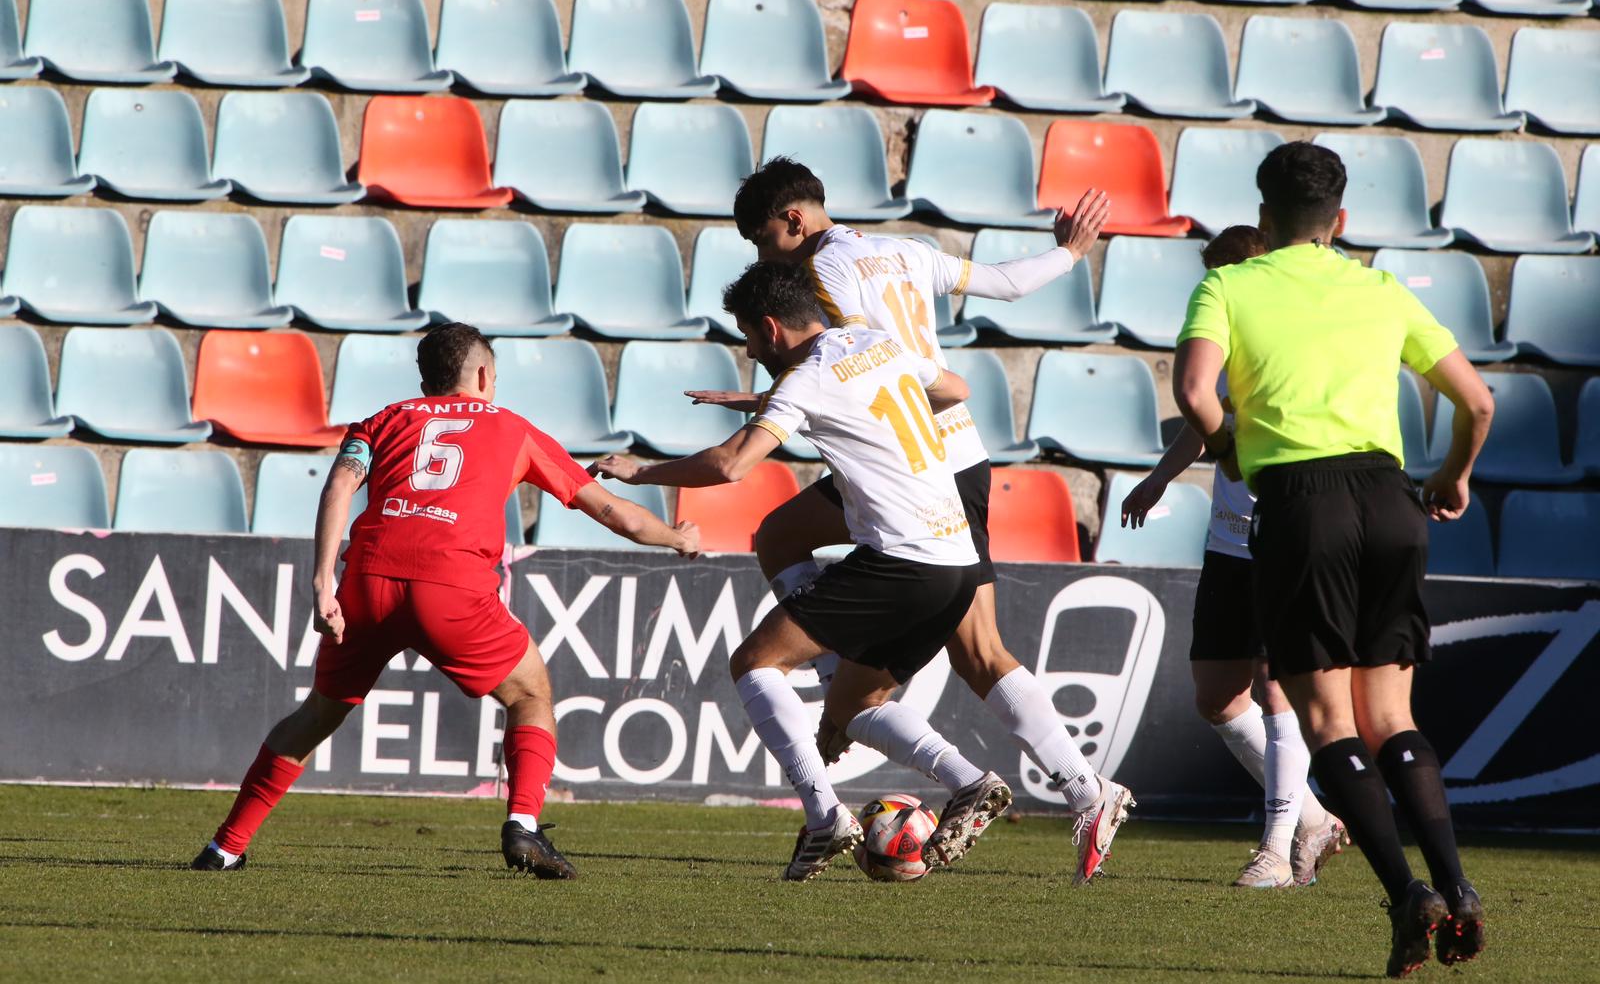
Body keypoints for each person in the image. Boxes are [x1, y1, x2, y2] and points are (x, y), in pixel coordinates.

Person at [688, 157, 1133, 885]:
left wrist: (775, 409)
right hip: (959, 448)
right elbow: (1005, 283)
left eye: (765, 241)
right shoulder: (901, 249)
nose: (767, 257)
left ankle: (1079, 787)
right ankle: (1085, 791)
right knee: (976, 647)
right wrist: (1071, 253)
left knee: (789, 546)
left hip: (911, 455)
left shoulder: (822, 279)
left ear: (794, 222)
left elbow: (852, 371)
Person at [191, 324, 701, 878]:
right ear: (484, 375)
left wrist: (321, 583)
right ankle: (523, 827)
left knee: (315, 716)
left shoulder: (381, 420)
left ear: (426, 378)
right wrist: (678, 537)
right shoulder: (514, 429)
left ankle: (225, 847)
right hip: (451, 586)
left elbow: (339, 486)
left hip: (368, 581)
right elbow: (612, 512)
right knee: (531, 695)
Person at [1173, 142, 1494, 978]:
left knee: (1327, 721)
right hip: (1392, 501)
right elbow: (1478, 399)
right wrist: (1452, 474)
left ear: (1264, 217)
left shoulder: (1229, 285)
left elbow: (1194, 393)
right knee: (1394, 717)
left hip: (1301, 506)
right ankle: (1459, 888)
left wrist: (1230, 449)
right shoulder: (1380, 287)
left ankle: (1406, 897)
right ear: (1339, 221)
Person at [595, 260, 1007, 881]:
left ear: (769, 328)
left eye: (748, 338)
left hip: (901, 560)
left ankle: (824, 816)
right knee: (853, 705)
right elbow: (953, 389)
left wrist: (642, 473)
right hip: (957, 560)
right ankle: (971, 782)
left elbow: (734, 464)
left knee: (754, 662)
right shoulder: (876, 341)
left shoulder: (806, 377)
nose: (752, 351)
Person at [1120, 225, 1346, 890]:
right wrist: (1162, 476)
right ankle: (1314, 819)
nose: (1218, 291)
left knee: (1277, 684)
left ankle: (1276, 848)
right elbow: (1205, 417)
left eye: (1227, 276)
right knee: (1217, 697)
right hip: (1229, 540)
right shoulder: (1228, 338)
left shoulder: (1299, 338)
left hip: (1287, 533)